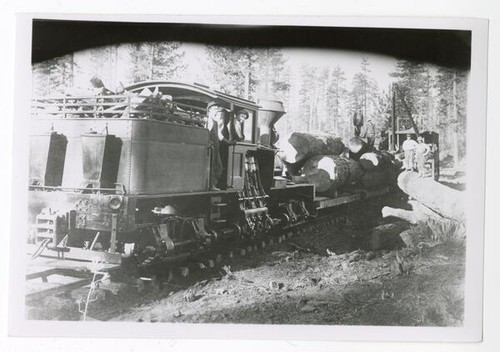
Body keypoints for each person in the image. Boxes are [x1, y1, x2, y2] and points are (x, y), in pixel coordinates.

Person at [206, 101, 225, 190]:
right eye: (214, 109)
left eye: (216, 109)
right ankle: (212, 185)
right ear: (209, 110)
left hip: (216, 146)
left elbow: (219, 135)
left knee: (219, 167)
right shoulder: (208, 121)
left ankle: (214, 184)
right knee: (212, 166)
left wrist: (227, 141)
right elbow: (206, 133)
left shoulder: (215, 122)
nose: (216, 111)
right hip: (212, 147)